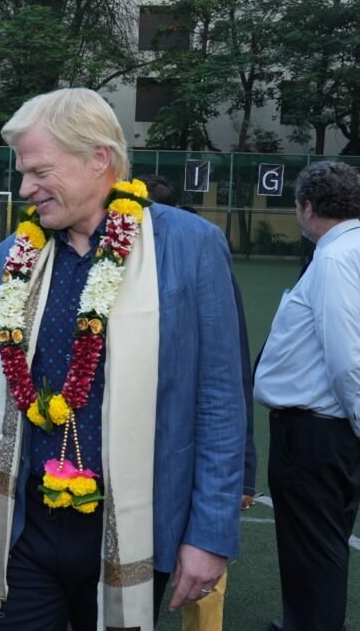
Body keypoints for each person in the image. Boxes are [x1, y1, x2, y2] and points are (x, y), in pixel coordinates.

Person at [0, 88, 245, 631]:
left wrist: (211, 535)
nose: (25, 188)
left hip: (131, 523)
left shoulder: (188, 245)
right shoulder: (17, 253)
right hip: (28, 520)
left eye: (38, 171)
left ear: (98, 158)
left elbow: (220, 398)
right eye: (22, 172)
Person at [254, 160, 360, 631]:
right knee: (318, 543)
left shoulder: (334, 258)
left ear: (308, 207)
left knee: (314, 547)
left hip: (316, 431)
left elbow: (346, 352)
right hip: (338, 430)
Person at [139, 174, 256, 631]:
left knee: (202, 589)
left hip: (182, 467)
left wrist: (243, 471)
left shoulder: (198, 260)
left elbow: (229, 384)